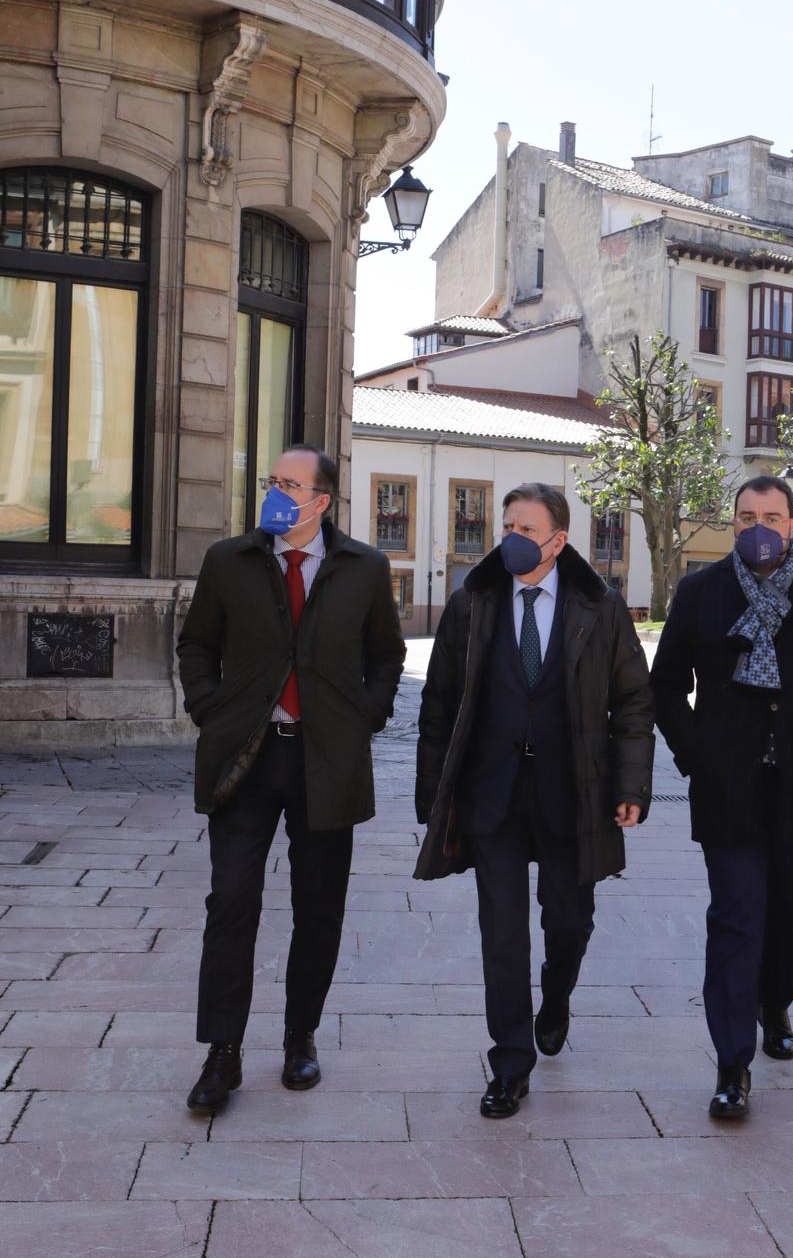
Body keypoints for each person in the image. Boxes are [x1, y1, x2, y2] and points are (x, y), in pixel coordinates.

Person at [176, 445, 406, 1112]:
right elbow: (197, 645)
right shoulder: (229, 561)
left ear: (321, 501)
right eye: (272, 481)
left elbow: (386, 656)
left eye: (290, 484)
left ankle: (299, 1036)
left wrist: (367, 712)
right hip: (245, 758)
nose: (276, 492)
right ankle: (222, 1053)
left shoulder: (364, 567)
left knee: (319, 907)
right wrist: (208, 708)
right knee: (231, 901)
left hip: (327, 760)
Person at [414, 483, 654, 1119]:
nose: (514, 538)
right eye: (508, 525)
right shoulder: (473, 601)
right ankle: (510, 1062)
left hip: (572, 795)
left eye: (528, 528)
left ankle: (556, 996)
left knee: (568, 920)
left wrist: (630, 786)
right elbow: (438, 702)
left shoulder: (597, 606)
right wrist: (432, 791)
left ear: (558, 540)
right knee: (501, 932)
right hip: (491, 795)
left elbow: (634, 700)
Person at [651, 475, 793, 1120]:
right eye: (748, 515)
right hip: (730, 790)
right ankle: (731, 1062)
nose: (760, 526)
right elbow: (665, 688)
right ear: (733, 521)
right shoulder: (700, 592)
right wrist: (698, 755)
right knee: (736, 916)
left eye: (772, 516)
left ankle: (775, 1002)